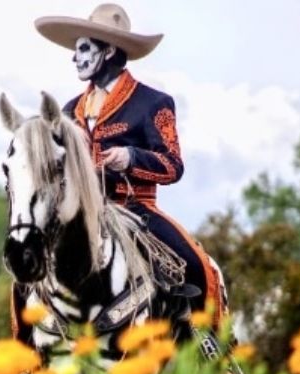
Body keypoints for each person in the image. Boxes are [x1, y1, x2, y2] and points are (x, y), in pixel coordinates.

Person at [35, 4, 223, 323]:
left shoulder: (152, 102)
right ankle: (30, 360)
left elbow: (173, 165)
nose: (74, 57)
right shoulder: (68, 110)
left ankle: (212, 348)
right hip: (79, 213)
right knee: (29, 270)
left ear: (108, 50)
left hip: (136, 210)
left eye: (83, 48)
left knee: (194, 265)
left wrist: (130, 158)